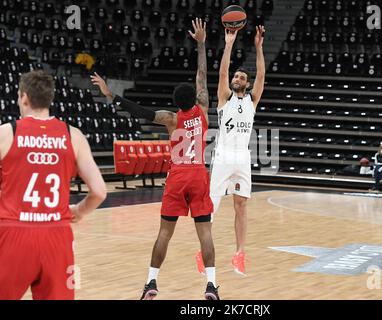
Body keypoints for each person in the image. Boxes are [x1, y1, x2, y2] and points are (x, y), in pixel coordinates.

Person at [91, 18, 219, 300]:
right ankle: (211, 286)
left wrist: (112, 96)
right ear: (196, 98)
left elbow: (140, 112)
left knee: (164, 233)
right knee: (205, 233)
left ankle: (151, 283)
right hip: (198, 173)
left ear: (176, 101)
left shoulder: (171, 119)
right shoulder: (203, 109)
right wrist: (201, 44)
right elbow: (202, 72)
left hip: (177, 176)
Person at [0, 70, 107, 300]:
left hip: (14, 233)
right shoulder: (73, 135)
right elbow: (99, 191)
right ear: (49, 99)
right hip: (57, 236)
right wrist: (78, 211)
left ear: (24, 97)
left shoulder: (7, 133)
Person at [196, 25, 266, 276]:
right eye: (236, 77)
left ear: (246, 85)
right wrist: (229, 44)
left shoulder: (252, 99)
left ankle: (239, 254)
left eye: (241, 78)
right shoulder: (224, 98)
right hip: (223, 156)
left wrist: (258, 48)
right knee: (212, 205)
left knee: (242, 206)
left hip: (243, 159)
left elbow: (261, 76)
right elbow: (223, 71)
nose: (237, 79)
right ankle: (203, 252)